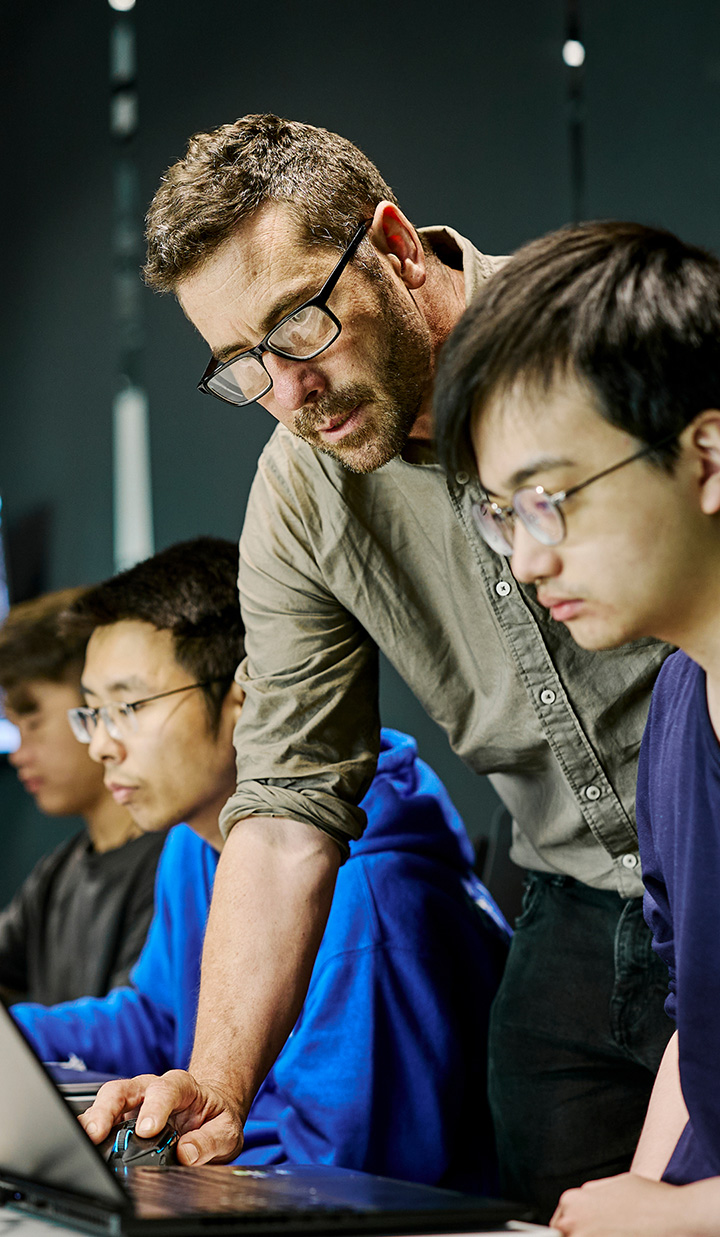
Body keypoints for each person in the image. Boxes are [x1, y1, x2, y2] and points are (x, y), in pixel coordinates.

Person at [81, 115, 671, 1215]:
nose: (287, 394)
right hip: (574, 905)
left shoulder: (599, 334)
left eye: (298, 327)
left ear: (395, 246)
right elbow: (288, 797)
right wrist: (219, 1081)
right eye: (242, 367)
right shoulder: (299, 492)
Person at [14, 536, 509, 1190]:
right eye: (92, 713)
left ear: (246, 698)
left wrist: (159, 1169)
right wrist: (15, 1037)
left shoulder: (372, 896)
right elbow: (160, 1020)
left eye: (128, 707)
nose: (102, 745)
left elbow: (340, 1172)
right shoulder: (194, 842)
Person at [433, 219, 720, 1234]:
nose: (526, 560)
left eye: (548, 500)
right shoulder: (679, 707)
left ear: (707, 455)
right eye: (502, 515)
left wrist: (682, 1217)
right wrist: (632, 1205)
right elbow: (700, 1029)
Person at [0, 588, 164, 1006]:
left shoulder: (172, 863)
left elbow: (140, 1026)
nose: (18, 753)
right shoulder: (57, 873)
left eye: (33, 722)